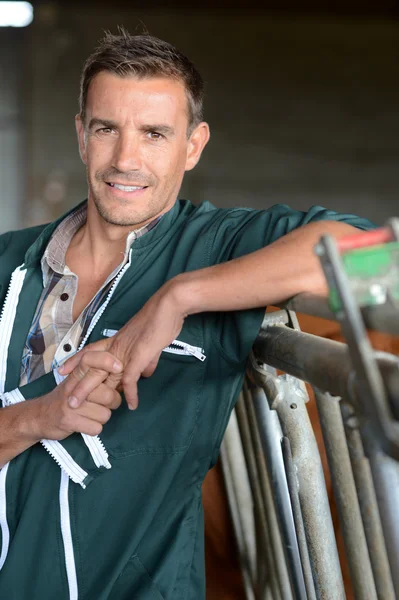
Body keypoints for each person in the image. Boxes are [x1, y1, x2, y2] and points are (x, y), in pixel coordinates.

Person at [0, 29, 374, 599]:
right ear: (81, 135)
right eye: (106, 129)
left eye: (154, 134)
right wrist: (37, 417)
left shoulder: (219, 247)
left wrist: (179, 298)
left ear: (193, 145)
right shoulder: (8, 262)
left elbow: (380, 259)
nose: (126, 160)